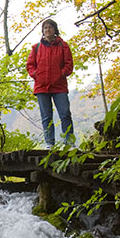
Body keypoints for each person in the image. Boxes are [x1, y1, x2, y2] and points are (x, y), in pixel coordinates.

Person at [26, 19, 74, 147]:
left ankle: (69, 142)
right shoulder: (36, 48)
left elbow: (69, 65)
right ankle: (49, 143)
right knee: (46, 117)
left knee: (65, 114)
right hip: (41, 87)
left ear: (55, 30)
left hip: (59, 86)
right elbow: (30, 65)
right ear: (43, 31)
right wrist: (36, 75)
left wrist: (61, 73)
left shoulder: (63, 46)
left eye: (50, 27)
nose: (47, 30)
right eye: (45, 28)